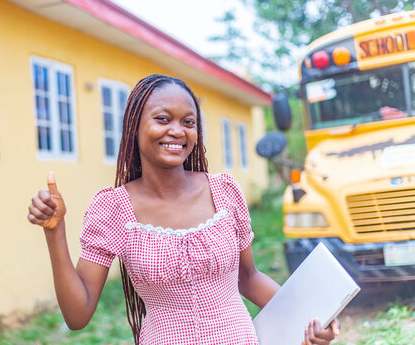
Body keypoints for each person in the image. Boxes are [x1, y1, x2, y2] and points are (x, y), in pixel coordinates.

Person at [27, 74, 340, 344]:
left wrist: (309, 318)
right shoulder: (112, 208)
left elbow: (249, 276)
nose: (177, 131)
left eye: (188, 122)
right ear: (134, 126)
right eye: (163, 119)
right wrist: (55, 232)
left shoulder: (224, 191)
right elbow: (77, 315)